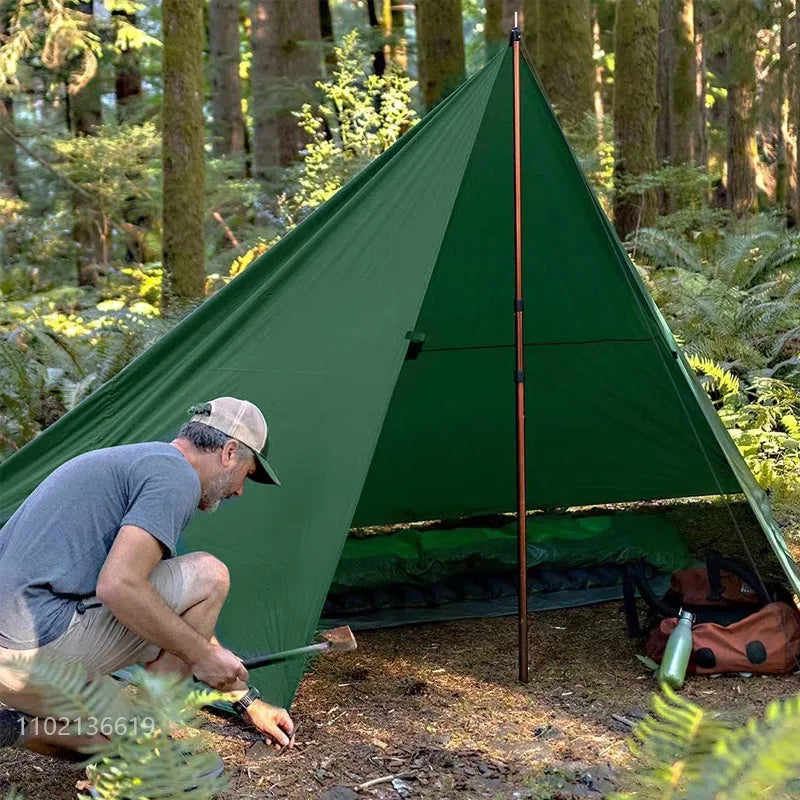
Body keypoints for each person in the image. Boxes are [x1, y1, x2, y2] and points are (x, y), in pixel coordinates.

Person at [0, 397, 294, 758]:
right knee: (210, 576)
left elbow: (170, 613)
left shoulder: (137, 463)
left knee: (122, 735)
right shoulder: (175, 477)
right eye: (245, 475)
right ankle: (152, 736)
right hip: (37, 648)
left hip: (16, 661)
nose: (239, 490)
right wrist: (201, 656)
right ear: (230, 452)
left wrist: (244, 699)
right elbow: (119, 586)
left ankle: (15, 728)